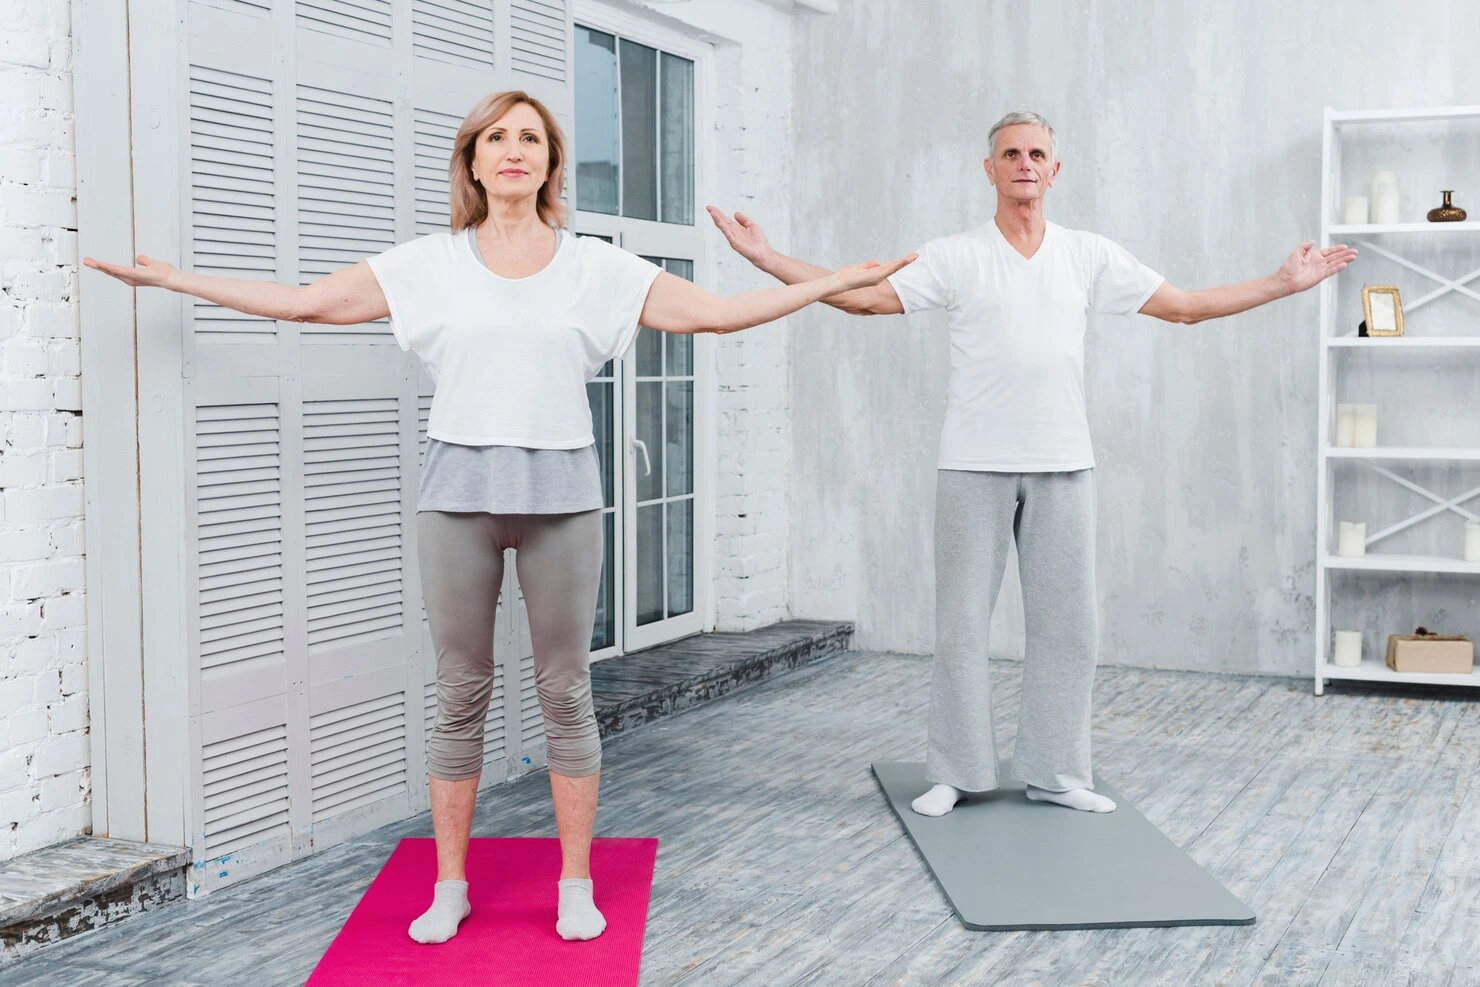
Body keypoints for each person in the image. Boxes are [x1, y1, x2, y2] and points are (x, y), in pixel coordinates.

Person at [86, 90, 914, 945]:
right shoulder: (428, 265)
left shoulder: (598, 267)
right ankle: (450, 885)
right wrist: (176, 279)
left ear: (552, 163)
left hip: (563, 501)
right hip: (456, 501)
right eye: (496, 138)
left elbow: (715, 316)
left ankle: (575, 882)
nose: (514, 149)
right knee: (460, 695)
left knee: (566, 692)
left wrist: (831, 283)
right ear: (474, 162)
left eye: (531, 138)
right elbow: (305, 303)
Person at [709, 109, 1354, 820]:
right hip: (973, 462)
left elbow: (1189, 308)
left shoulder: (1088, 254)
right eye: (1009, 153)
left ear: (1054, 169)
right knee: (960, 625)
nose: (1023, 163)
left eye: (1036, 153)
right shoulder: (954, 254)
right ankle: (957, 772)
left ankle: (1056, 771)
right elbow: (861, 297)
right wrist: (768, 260)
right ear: (989, 169)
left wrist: (1281, 282)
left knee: (1069, 625)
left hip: (1063, 462)